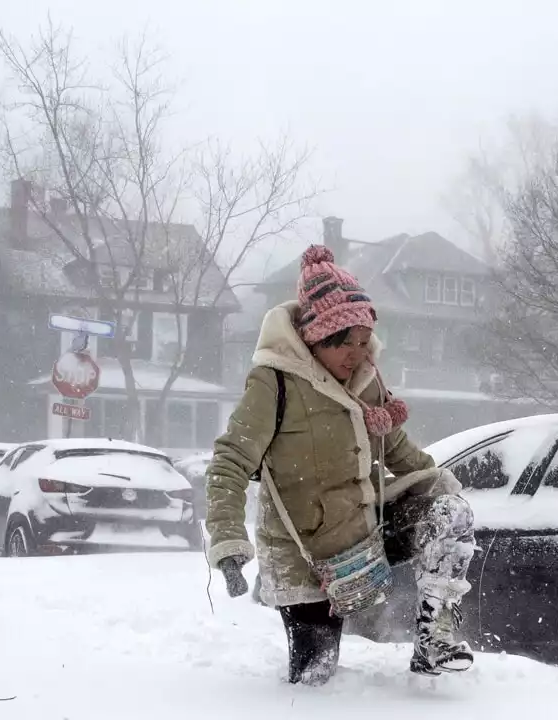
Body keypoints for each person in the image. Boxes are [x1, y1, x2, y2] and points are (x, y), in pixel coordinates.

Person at [204, 245, 477, 686]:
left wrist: (452, 491)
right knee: (316, 678)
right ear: (315, 337)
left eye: (362, 340)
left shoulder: (366, 382)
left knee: (449, 511)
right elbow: (230, 461)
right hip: (305, 554)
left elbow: (400, 451)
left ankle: (436, 638)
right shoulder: (273, 381)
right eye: (344, 342)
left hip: (365, 532)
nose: (357, 353)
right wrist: (229, 541)